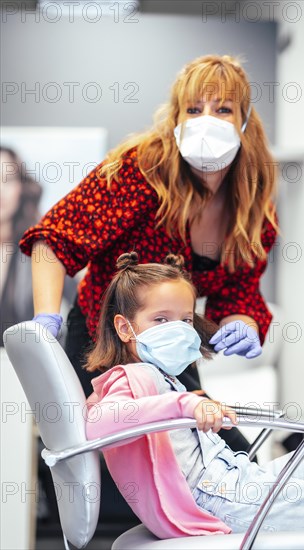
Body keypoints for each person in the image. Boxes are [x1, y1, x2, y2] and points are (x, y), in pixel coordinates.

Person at [19, 54, 278, 452]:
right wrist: (45, 316)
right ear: (177, 118)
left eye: (222, 108)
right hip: (103, 343)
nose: (205, 119)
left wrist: (242, 323)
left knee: (230, 456)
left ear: (244, 121)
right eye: (193, 109)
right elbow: (54, 240)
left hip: (172, 351)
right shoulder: (139, 172)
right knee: (108, 470)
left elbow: (239, 295)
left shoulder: (251, 211)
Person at [85, 252, 304, 539]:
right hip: (223, 499)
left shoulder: (165, 377)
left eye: (185, 320)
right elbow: (97, 423)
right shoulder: (132, 376)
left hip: (243, 480)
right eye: (160, 319)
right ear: (123, 328)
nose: (178, 330)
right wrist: (187, 405)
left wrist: (194, 406)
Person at [0, 146, 42, 346]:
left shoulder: (39, 250)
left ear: (21, 187)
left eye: (7, 180)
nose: (0, 190)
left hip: (21, 372)